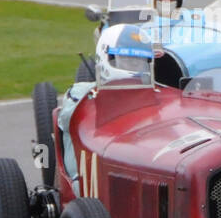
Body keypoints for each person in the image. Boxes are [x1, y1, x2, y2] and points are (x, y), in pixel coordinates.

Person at [57, 24, 154, 185]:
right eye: (127, 61)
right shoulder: (80, 93)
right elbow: (66, 119)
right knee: (77, 186)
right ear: (106, 57)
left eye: (139, 62)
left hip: (131, 167)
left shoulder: (153, 95)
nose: (134, 67)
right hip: (83, 177)